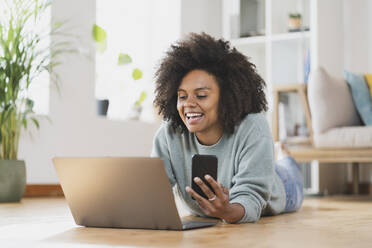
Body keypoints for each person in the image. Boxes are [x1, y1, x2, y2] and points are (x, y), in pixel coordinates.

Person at [151, 33, 303, 224]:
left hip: (280, 188)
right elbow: (154, 190)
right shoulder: (169, 133)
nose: (188, 104)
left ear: (228, 96)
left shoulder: (253, 126)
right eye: (182, 96)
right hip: (251, 173)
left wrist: (227, 210)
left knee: (288, 171)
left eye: (201, 95)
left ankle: (285, 157)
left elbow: (251, 197)